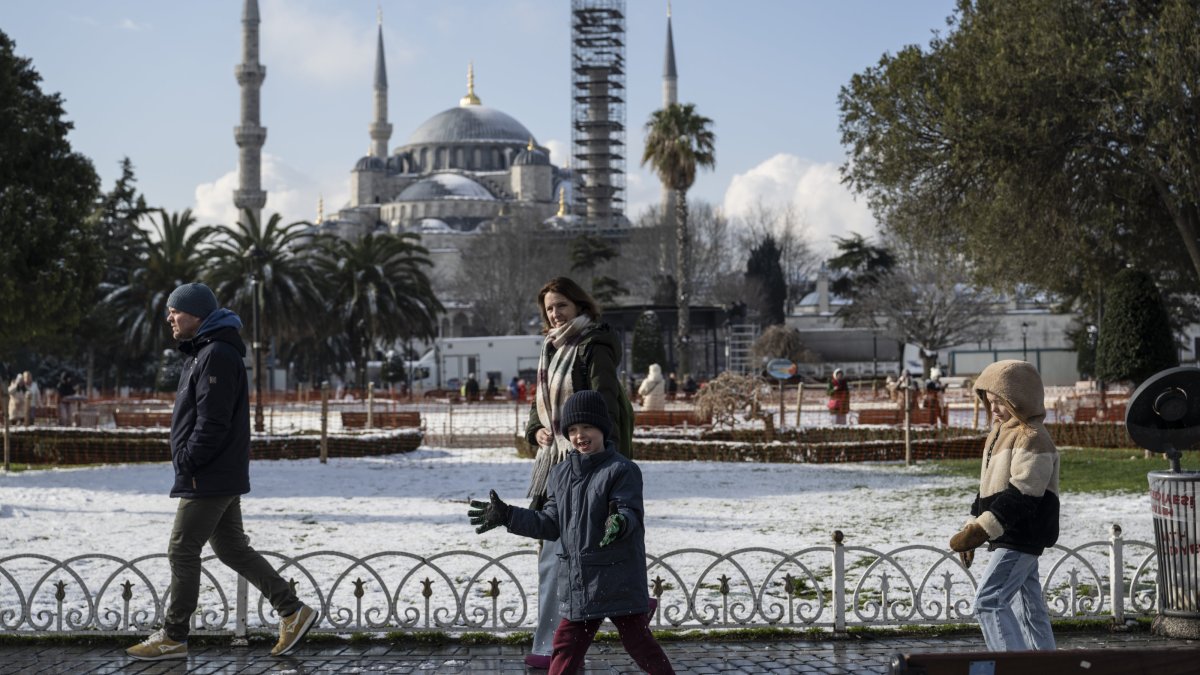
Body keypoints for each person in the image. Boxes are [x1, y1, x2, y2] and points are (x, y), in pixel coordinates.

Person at [126, 283, 317, 661]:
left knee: (181, 549)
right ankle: (293, 611)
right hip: (216, 473)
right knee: (231, 548)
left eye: (175, 311)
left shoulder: (215, 354)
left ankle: (174, 635)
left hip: (208, 475)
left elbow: (212, 422)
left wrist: (188, 459)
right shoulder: (204, 352)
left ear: (196, 314)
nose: (169, 318)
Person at [469, 391, 674, 674]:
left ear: (602, 428)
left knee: (638, 642)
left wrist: (619, 523)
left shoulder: (622, 470)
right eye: (573, 430)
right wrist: (508, 516)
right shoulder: (560, 473)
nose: (580, 435)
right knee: (565, 645)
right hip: (580, 582)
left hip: (617, 579)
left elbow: (628, 510)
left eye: (587, 427)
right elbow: (550, 523)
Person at [521, 276, 634, 669]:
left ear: (580, 307)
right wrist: (534, 431)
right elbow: (540, 411)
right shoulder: (549, 350)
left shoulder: (591, 345)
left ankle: (556, 645)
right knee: (556, 555)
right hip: (553, 463)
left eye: (561, 306)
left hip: (585, 465)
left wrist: (607, 468)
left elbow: (605, 406)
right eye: (549, 308)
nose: (554, 314)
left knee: (570, 557)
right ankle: (557, 643)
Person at [949, 359, 1060, 652]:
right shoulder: (1000, 432)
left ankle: (1011, 667)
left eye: (1001, 402)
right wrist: (972, 526)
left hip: (1021, 533)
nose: (994, 408)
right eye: (990, 401)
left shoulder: (1033, 438)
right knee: (1029, 608)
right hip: (1008, 532)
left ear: (1021, 399)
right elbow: (989, 489)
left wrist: (982, 529)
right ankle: (1046, 666)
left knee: (989, 601)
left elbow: (1023, 493)